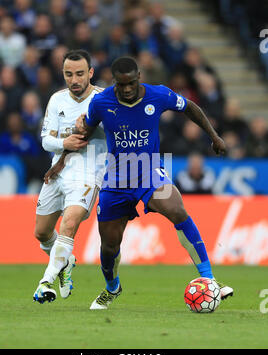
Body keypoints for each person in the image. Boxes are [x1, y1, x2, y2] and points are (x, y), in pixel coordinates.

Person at [45, 56, 233, 309]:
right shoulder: (101, 102)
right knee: (109, 246)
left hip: (149, 173)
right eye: (121, 85)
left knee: (176, 209)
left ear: (138, 78)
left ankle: (210, 280)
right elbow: (85, 133)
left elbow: (190, 107)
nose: (127, 89)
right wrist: (60, 161)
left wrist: (214, 136)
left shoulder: (159, 95)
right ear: (115, 83)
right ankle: (112, 288)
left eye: (131, 83)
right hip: (116, 179)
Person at [33, 49, 107, 304]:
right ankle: (66, 261)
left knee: (69, 224)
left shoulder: (103, 99)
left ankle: (45, 282)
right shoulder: (57, 100)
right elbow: (45, 140)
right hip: (59, 170)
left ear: (90, 73)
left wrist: (88, 129)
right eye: (68, 74)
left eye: (79, 74)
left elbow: (113, 131)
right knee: (42, 233)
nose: (74, 80)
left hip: (89, 173)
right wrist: (67, 142)